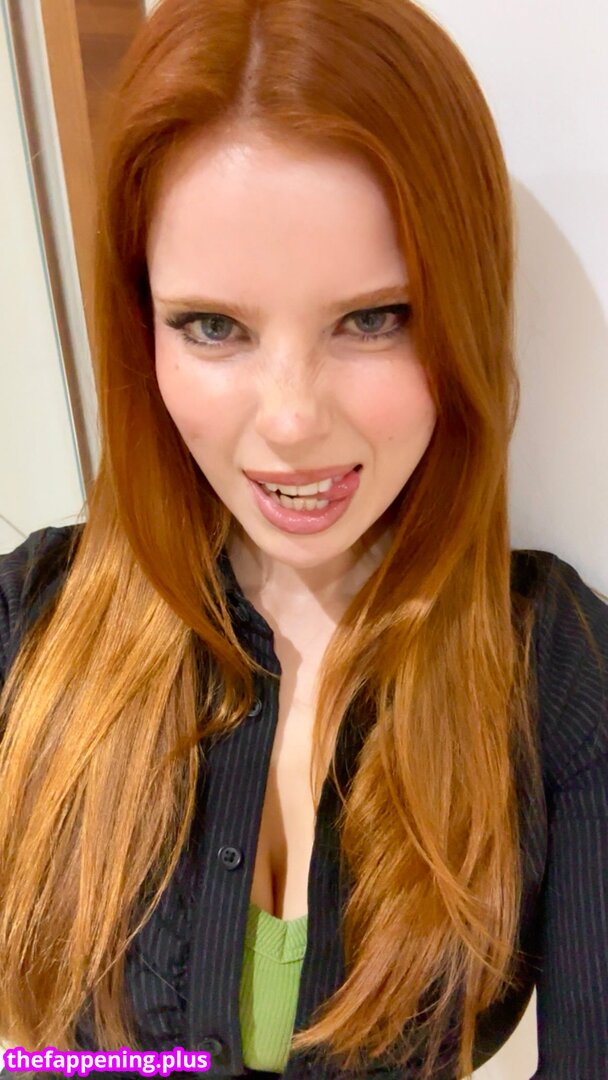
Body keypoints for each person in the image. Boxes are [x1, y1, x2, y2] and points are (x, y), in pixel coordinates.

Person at [0, 0, 607, 1077]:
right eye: (213, 326)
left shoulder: (551, 671)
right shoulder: (26, 625)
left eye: (373, 318)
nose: (289, 422)